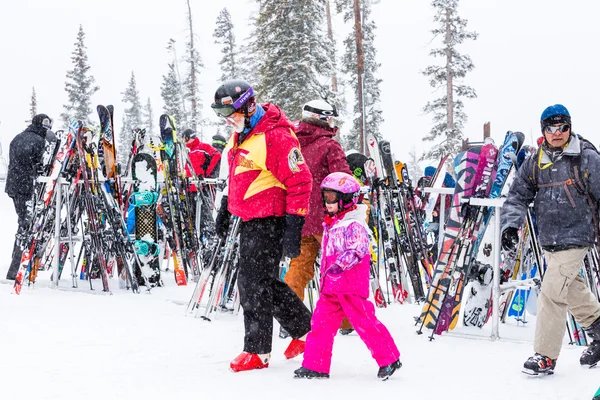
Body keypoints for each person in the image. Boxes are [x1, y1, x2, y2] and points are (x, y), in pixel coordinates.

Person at [211, 79, 313, 372]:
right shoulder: (240, 135)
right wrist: (226, 209)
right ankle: (306, 331)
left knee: (252, 284)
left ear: (250, 106)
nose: (228, 121)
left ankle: (257, 351)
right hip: (250, 219)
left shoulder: (276, 137)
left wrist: (294, 227)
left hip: (271, 220)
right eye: (223, 116)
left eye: (232, 115)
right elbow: (235, 175)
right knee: (265, 282)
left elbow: (301, 181)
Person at [501, 104, 600, 375]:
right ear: (544, 130)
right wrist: (511, 225)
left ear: (570, 127)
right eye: (551, 128)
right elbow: (518, 194)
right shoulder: (536, 161)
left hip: (578, 235)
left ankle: (545, 355)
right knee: (570, 288)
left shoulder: (586, 157)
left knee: (552, 291)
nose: (558, 133)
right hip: (550, 238)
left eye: (563, 127)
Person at [294, 172, 401, 380]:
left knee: (365, 323)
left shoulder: (354, 224)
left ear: (346, 199)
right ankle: (315, 365)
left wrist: (340, 265)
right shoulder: (332, 223)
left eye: (332, 197)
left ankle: (389, 358)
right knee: (320, 325)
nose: (327, 202)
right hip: (330, 288)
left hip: (350, 287)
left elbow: (359, 248)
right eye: (325, 196)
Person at [282, 99, 353, 336]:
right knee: (338, 267)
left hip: (298, 216)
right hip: (327, 218)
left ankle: (289, 317)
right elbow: (343, 179)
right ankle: (345, 319)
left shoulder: (291, 144)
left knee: (299, 267)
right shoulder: (329, 146)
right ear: (323, 119)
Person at [5, 114, 55, 280]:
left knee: (23, 222)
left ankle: (18, 260)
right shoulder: (40, 142)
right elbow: (43, 165)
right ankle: (16, 268)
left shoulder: (18, 138)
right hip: (27, 187)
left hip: (14, 186)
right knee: (26, 225)